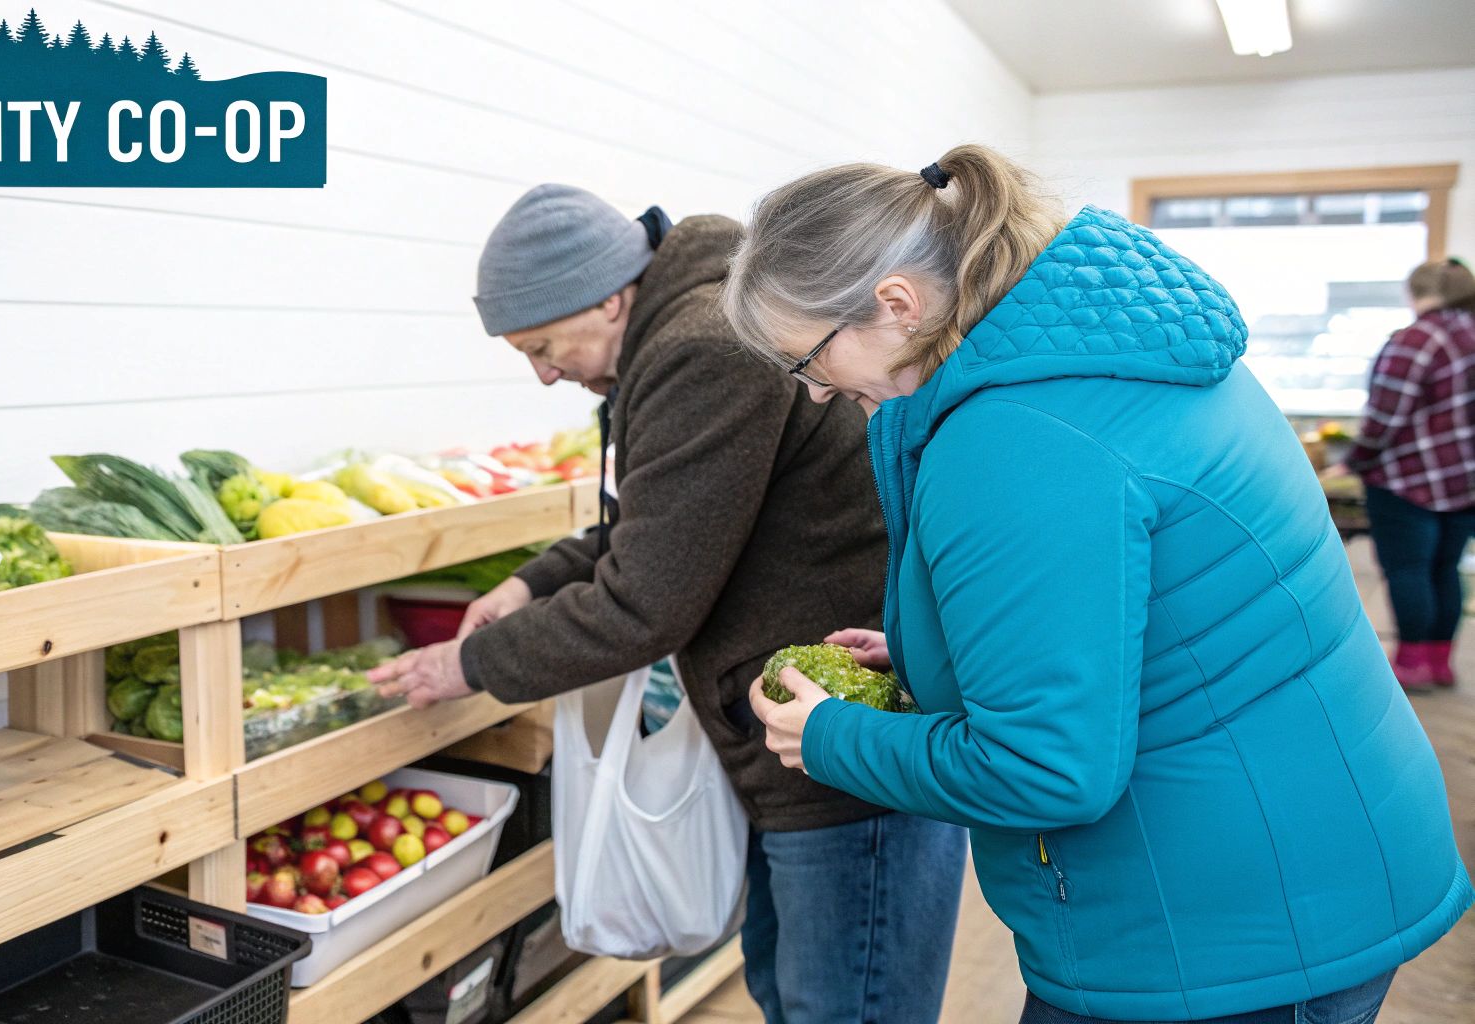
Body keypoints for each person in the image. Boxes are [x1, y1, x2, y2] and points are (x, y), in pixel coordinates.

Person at [723, 146, 1471, 1024]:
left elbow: (1044, 768)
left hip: (1223, 930)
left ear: (896, 305)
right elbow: (1153, 606)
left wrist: (827, 738)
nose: (811, 395)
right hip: (1303, 853)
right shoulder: (1107, 346)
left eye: (806, 361)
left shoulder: (1014, 438)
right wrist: (944, 653)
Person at [369, 184, 967, 1023]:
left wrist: (465, 665)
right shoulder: (678, 336)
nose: (544, 376)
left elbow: (644, 603)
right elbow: (654, 524)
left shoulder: (702, 350)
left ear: (610, 297)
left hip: (845, 748)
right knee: (796, 994)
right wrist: (532, 581)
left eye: (544, 346)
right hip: (792, 733)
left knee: (846, 1005)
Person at [1342, 258, 1475, 689]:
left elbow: (1383, 417)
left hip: (1408, 482)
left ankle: (1412, 664)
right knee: (1446, 569)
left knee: (1408, 570)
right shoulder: (1470, 333)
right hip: (1465, 481)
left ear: (1414, 292)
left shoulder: (1416, 339)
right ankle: (1441, 663)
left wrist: (1355, 460)